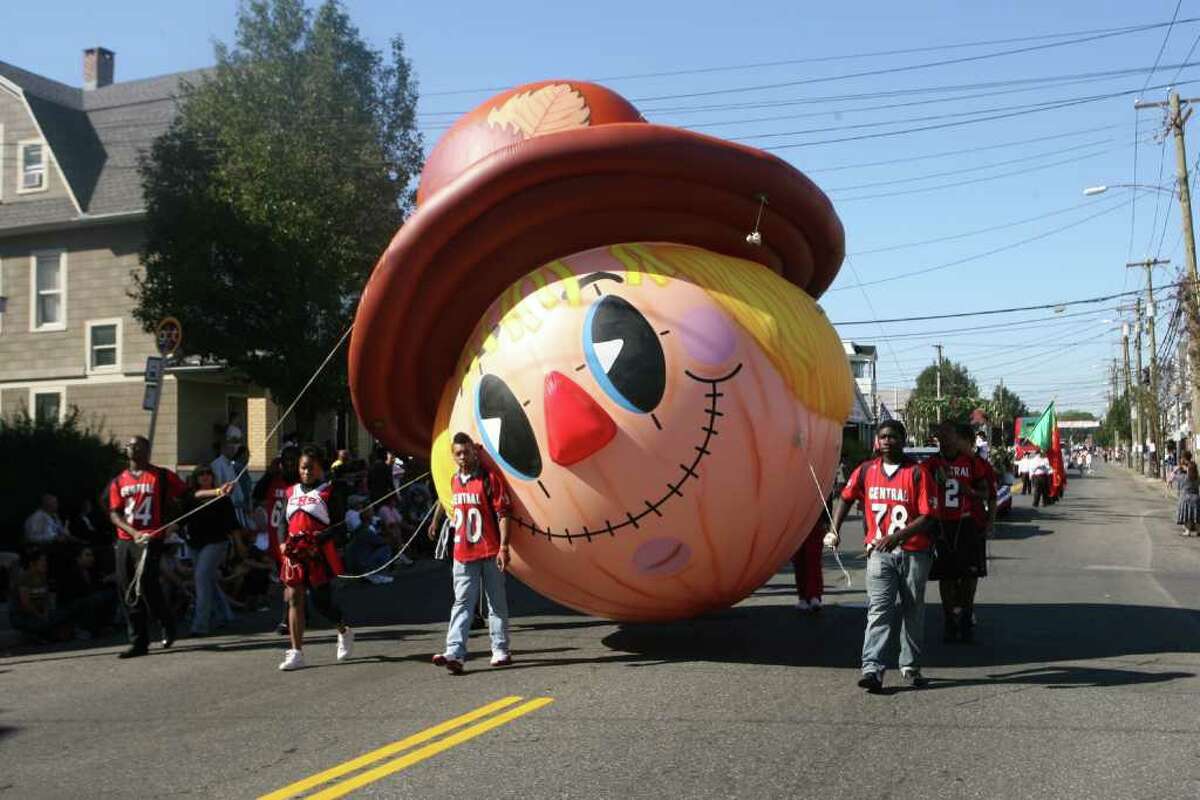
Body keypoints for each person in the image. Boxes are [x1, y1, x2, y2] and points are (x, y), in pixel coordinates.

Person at [830, 419, 936, 691]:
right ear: (877, 441)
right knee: (879, 609)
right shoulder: (866, 470)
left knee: (913, 609)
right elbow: (846, 496)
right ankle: (873, 668)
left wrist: (897, 537)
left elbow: (927, 516)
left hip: (913, 552)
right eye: (883, 437)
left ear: (903, 439)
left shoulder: (917, 473)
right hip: (878, 553)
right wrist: (835, 529)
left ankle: (910, 666)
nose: (887, 441)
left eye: (893, 436)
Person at [108, 436, 229, 659]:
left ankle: (166, 623)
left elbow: (188, 494)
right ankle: (138, 641)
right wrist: (133, 533)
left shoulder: (161, 476)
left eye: (137, 445)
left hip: (152, 537)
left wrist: (217, 492)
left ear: (146, 450)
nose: (131, 448)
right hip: (127, 539)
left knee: (146, 583)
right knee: (127, 588)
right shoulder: (119, 481)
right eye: (129, 445)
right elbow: (114, 513)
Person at [427, 432, 513, 674]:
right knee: (462, 602)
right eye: (458, 453)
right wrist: (435, 521)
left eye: (466, 452)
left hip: (489, 549)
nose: (463, 457)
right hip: (463, 552)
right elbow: (444, 503)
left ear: (474, 452)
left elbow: (504, 513)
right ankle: (454, 651)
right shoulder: (454, 480)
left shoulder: (489, 479)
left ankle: (500, 648)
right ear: (453, 456)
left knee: (495, 602)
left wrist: (504, 547)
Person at [277, 445, 354, 671]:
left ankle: (343, 630)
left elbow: (341, 527)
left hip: (318, 554)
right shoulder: (291, 492)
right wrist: (283, 542)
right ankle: (296, 652)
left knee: (322, 603)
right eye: (303, 468)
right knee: (294, 597)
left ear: (321, 468)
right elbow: (282, 521)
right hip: (294, 554)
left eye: (311, 468)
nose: (306, 472)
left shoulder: (329, 492)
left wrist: (320, 538)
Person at [929, 423, 995, 644]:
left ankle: (966, 615)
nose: (947, 439)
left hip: (967, 525)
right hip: (941, 526)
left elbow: (986, 493)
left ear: (958, 438)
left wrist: (971, 492)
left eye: (951, 434)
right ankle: (949, 619)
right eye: (942, 435)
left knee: (969, 577)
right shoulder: (930, 464)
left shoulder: (972, 463)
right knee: (946, 578)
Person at [185, 466, 243, 636]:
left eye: (208, 473)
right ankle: (225, 615)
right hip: (195, 544)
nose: (204, 476)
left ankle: (200, 625)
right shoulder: (190, 496)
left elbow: (233, 524)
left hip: (216, 543)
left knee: (201, 577)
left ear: (212, 476)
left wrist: (239, 545)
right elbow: (196, 496)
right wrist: (218, 490)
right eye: (201, 474)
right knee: (207, 581)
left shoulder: (223, 499)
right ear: (195, 478)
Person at [57, 545, 118, 638]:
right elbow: (76, 592)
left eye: (91, 555)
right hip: (73, 602)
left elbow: (97, 585)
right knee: (94, 600)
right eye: (87, 555)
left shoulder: (92, 571)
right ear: (78, 558)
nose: (91, 558)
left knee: (110, 594)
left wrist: (106, 580)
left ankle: (107, 625)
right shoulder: (71, 573)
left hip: (88, 598)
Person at [1176, 456, 1200, 537]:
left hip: (1186, 499)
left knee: (1188, 516)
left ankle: (1188, 530)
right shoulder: (1197, 478)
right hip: (1196, 499)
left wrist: (1178, 469)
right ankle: (1198, 530)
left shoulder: (1184, 477)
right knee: (1196, 516)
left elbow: (1174, 476)